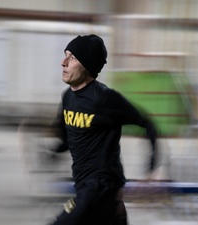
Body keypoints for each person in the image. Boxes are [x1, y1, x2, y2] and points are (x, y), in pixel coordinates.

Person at [48, 34, 158, 225]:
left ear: (88, 65)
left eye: (72, 58)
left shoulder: (105, 99)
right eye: (65, 55)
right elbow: (68, 139)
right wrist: (51, 152)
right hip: (86, 187)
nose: (63, 62)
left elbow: (147, 123)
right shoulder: (67, 97)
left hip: (100, 187)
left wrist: (150, 167)